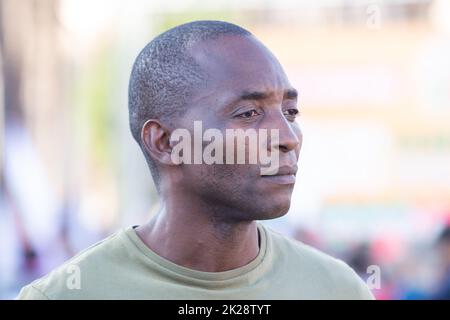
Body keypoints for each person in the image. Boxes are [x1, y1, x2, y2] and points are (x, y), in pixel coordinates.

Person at [17, 20, 373, 299]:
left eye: (290, 112)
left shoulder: (337, 289)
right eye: (249, 113)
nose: (287, 137)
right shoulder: (66, 294)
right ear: (165, 141)